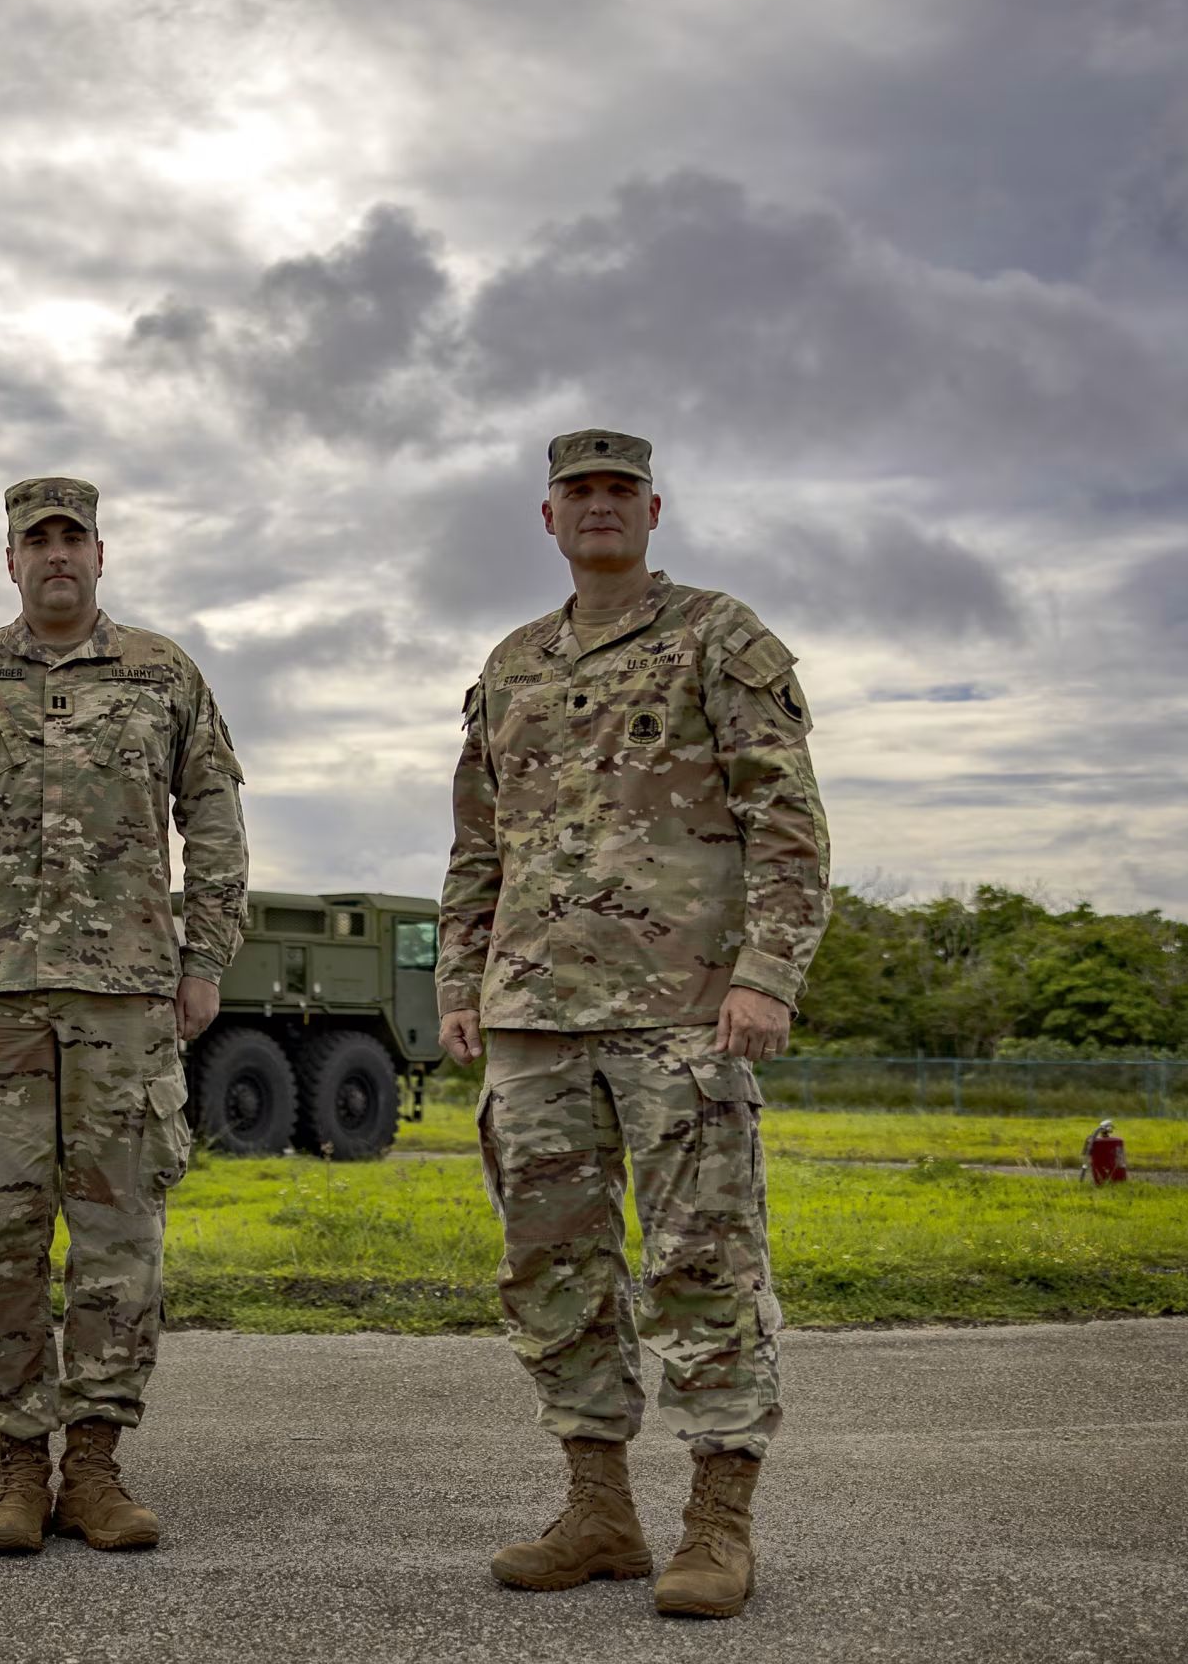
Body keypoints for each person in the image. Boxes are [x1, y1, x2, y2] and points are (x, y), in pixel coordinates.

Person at [435, 430, 830, 1618]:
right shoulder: (511, 665)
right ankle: (600, 1510)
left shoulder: (719, 636)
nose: (598, 507)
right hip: (534, 1020)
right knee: (552, 1270)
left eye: (618, 491)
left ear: (652, 510)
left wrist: (766, 974)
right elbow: (475, 844)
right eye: (577, 492)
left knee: (702, 1264)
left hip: (681, 1016)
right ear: (547, 518)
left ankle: (717, 1523)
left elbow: (789, 822)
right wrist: (461, 982)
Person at [0, 474, 249, 1555]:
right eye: (35, 540)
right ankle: (19, 1464)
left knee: (121, 1235)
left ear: (99, 551)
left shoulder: (162, 672)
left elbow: (214, 822)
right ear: (10, 561)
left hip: (126, 995)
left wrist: (204, 954)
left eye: (72, 536)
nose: (56, 555)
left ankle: (96, 1462)